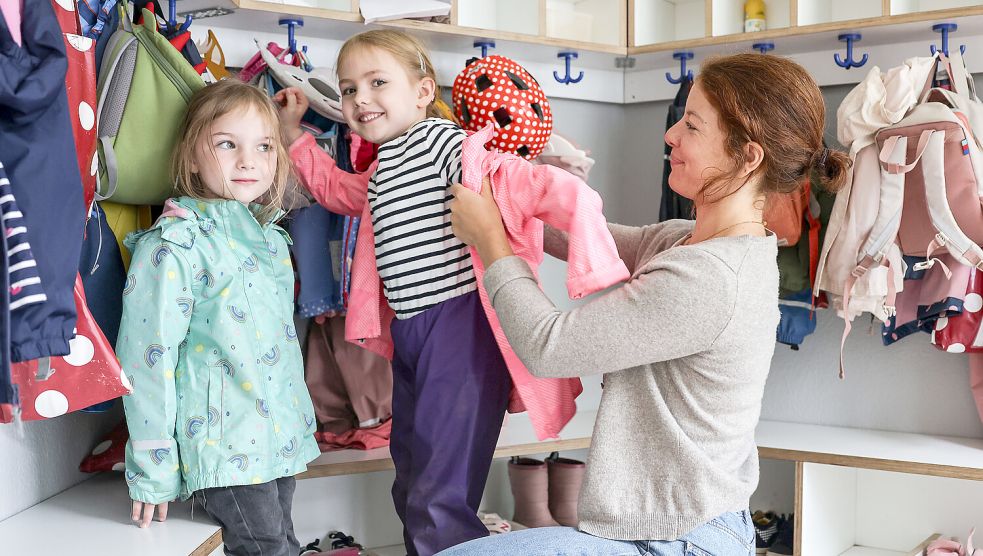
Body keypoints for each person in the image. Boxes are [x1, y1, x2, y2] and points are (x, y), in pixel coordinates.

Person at [439, 53, 850, 555]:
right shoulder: (690, 241)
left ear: (748, 157)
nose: (671, 135)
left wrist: (490, 242)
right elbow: (591, 240)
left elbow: (548, 347)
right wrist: (507, 196)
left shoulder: (708, 279)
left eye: (692, 126)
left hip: (678, 541)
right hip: (680, 524)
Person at [275, 29, 627, 556]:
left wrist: (587, 245)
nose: (359, 99)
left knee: (441, 488)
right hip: (413, 332)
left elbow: (529, 183)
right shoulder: (381, 165)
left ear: (422, 91)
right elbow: (339, 192)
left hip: (459, 327)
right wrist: (294, 137)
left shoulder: (445, 145)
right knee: (411, 474)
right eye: (348, 90)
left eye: (377, 83)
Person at [118, 79, 320, 556]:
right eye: (227, 144)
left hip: (275, 442)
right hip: (224, 449)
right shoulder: (175, 247)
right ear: (191, 157)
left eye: (264, 146)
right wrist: (153, 468)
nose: (248, 161)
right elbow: (146, 364)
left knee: (284, 542)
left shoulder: (271, 240)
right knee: (268, 548)